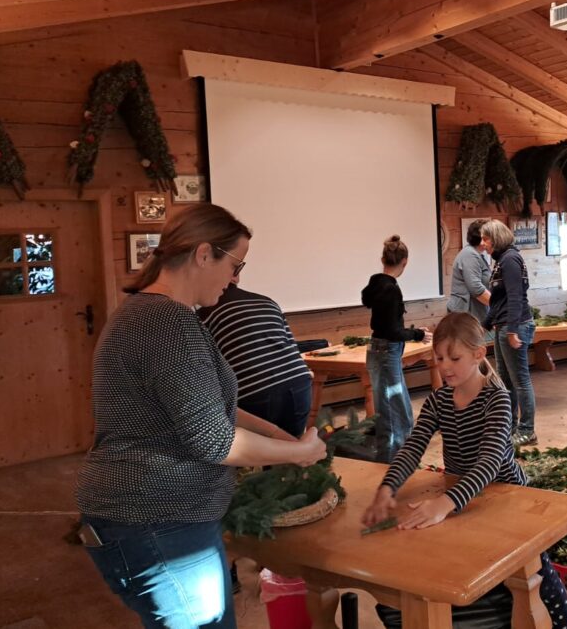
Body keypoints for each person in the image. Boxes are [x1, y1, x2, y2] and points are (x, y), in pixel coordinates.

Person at [76, 203, 327, 628]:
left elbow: (218, 408)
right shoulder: (165, 323)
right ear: (204, 253)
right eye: (235, 263)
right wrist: (298, 453)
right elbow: (215, 441)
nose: (236, 278)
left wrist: (282, 438)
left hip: (149, 519)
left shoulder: (151, 315)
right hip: (158, 521)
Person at [361, 312, 567, 629]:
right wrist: (387, 488)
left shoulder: (498, 399)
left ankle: (565, 625)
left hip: (508, 497)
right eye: (439, 358)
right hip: (469, 500)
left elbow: (490, 462)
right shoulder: (438, 401)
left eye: (454, 357)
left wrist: (444, 504)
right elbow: (413, 447)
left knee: (533, 573)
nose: (445, 366)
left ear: (479, 354)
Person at [198, 284, 314, 439]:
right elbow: (291, 344)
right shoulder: (267, 301)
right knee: (294, 445)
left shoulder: (205, 314)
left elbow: (210, 363)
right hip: (298, 379)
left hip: (253, 389)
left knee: (263, 447)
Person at [361, 235, 431, 462]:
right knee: (394, 413)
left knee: (396, 408)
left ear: (383, 258)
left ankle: (400, 460)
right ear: (405, 262)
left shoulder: (376, 283)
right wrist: (417, 334)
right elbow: (392, 331)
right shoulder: (390, 289)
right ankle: (390, 463)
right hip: (386, 352)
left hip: (379, 351)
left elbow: (379, 316)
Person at [480, 219, 538, 447]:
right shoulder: (502, 260)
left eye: (486, 239)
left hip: (515, 326)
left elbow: (515, 297)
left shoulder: (510, 260)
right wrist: (484, 324)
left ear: (497, 238)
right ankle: (510, 427)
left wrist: (513, 330)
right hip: (503, 325)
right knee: (506, 381)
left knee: (520, 381)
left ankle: (527, 430)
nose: (483, 244)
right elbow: (498, 300)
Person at [446, 218, 492, 325]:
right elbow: (476, 289)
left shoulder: (476, 254)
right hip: (466, 317)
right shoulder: (469, 255)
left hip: (474, 315)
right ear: (482, 238)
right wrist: (499, 307)